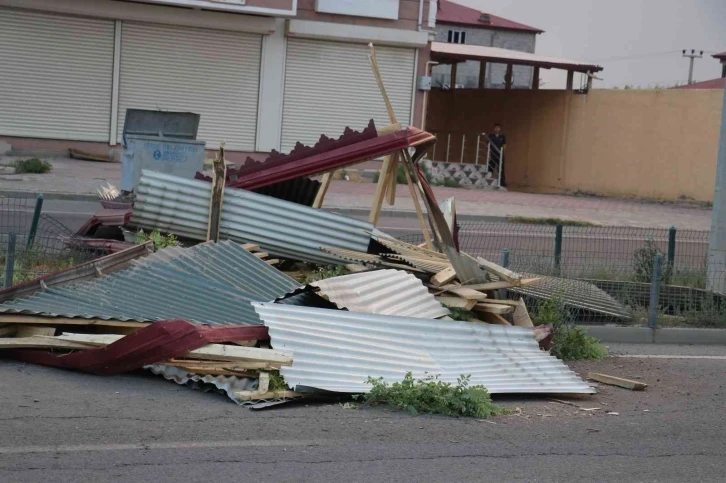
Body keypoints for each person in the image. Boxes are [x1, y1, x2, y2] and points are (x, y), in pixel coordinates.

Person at [488, 123, 507, 187]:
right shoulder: (491, 136)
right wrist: (489, 152)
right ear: (494, 128)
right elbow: (488, 144)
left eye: (498, 128)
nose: (497, 129)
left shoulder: (502, 136)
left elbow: (504, 145)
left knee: (501, 169)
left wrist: (503, 153)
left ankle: (502, 183)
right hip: (493, 154)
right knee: (490, 167)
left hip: (500, 154)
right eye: (496, 128)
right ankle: (487, 180)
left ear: (500, 129)